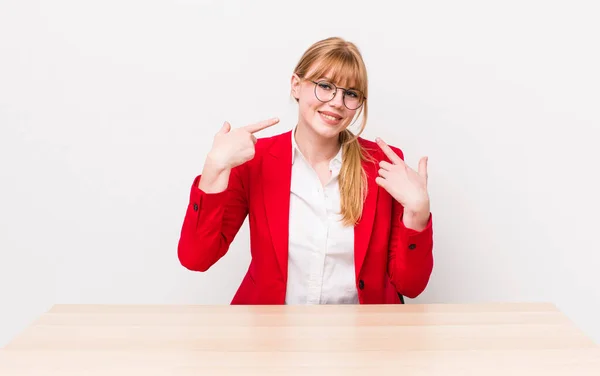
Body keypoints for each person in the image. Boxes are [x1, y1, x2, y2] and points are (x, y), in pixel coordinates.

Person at [177, 37, 433, 305]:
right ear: (296, 86)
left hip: (362, 336)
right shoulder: (255, 160)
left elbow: (411, 285)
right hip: (271, 335)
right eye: (325, 86)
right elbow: (197, 258)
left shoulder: (383, 164)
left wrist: (417, 212)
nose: (337, 102)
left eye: (351, 93)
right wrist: (214, 168)